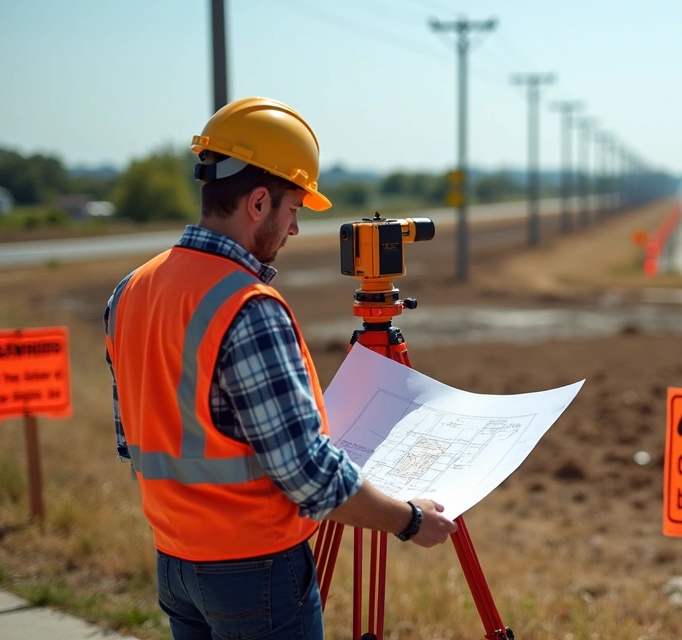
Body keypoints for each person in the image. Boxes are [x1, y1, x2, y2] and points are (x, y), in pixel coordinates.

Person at [103, 96, 457, 640]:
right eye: (293, 209)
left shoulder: (131, 290)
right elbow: (308, 475)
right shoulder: (247, 306)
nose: (293, 229)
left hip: (175, 565)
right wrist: (408, 519)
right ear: (259, 201)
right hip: (255, 571)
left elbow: (134, 441)